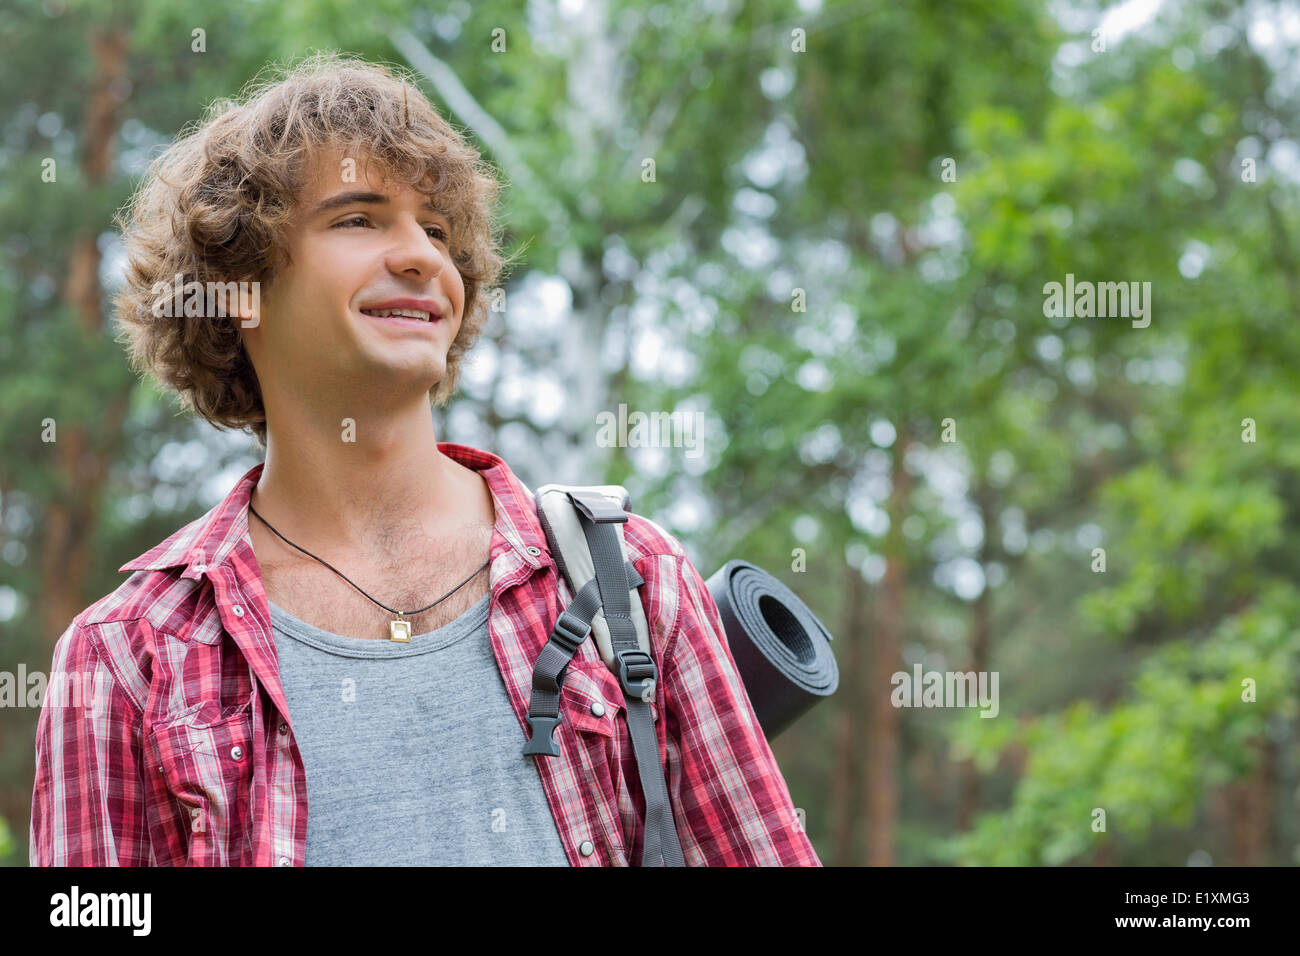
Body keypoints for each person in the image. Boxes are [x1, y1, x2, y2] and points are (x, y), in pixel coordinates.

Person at [29, 52, 819, 867]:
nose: (422, 257)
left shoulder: (629, 579)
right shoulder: (127, 656)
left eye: (437, 230)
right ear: (238, 286)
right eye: (358, 218)